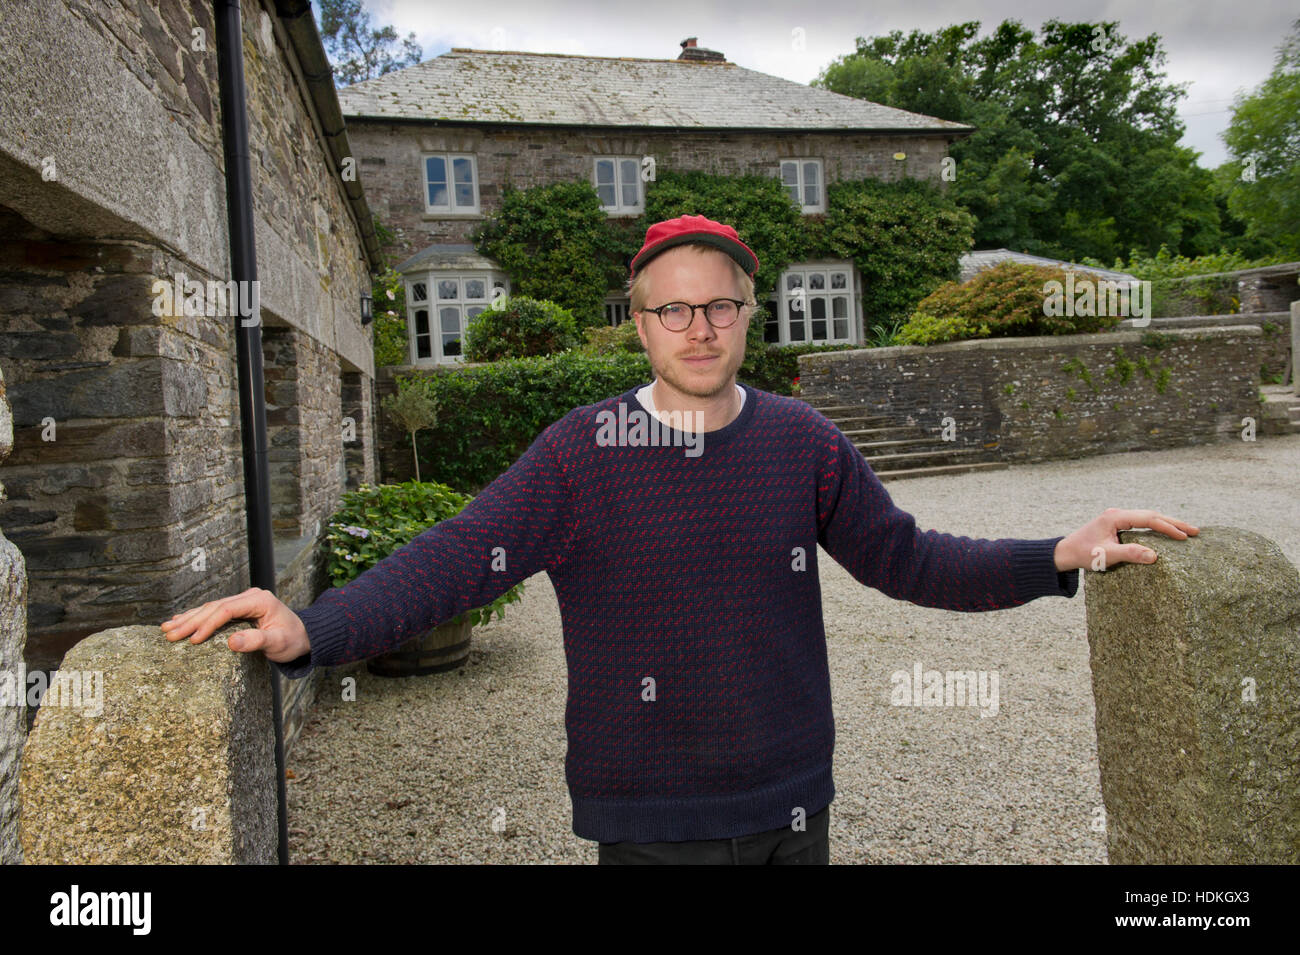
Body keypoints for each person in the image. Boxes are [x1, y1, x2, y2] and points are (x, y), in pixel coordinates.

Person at [161, 213, 1198, 865]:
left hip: (793, 801)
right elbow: (458, 553)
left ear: (748, 314)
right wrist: (312, 625)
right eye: (673, 312)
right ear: (640, 322)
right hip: (649, 816)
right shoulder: (582, 451)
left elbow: (908, 558)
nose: (698, 329)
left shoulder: (804, 442)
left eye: (719, 308)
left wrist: (1056, 554)